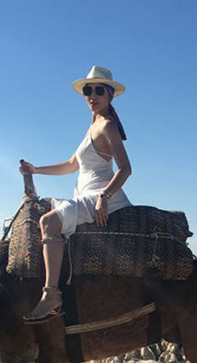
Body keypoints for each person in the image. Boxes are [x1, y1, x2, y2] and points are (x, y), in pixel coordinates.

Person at [20, 66, 132, 323]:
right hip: (88, 193)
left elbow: (126, 169)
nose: (92, 95)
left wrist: (104, 196)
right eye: (87, 90)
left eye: (98, 90)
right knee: (46, 213)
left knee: (49, 222)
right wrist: (35, 170)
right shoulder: (91, 127)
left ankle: (51, 295)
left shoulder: (107, 126)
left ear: (110, 95)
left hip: (102, 195)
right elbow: (72, 165)